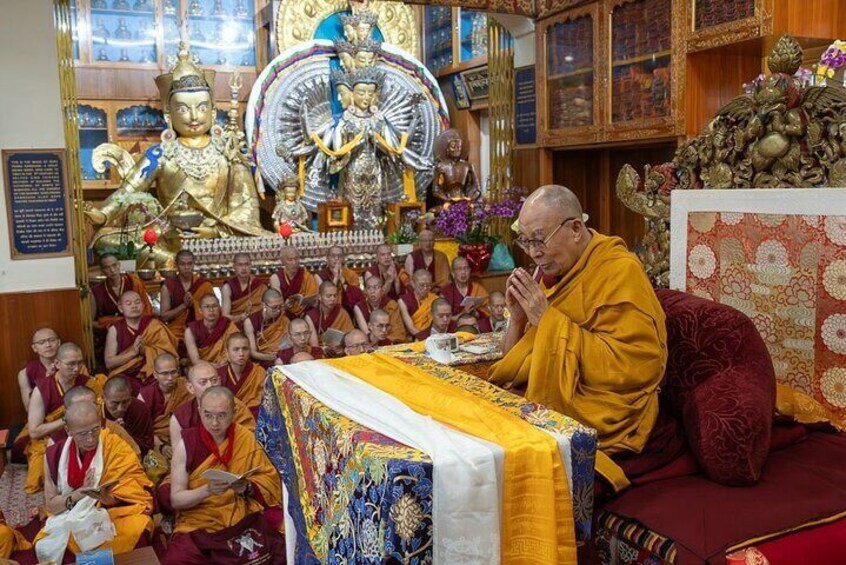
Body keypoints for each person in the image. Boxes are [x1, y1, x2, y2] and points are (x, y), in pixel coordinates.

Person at [489, 185, 667, 488]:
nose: (533, 252)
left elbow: (637, 366)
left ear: (574, 228)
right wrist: (518, 320)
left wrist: (548, 321)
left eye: (539, 239)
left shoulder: (618, 270)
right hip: (552, 393)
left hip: (604, 406)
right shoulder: (556, 273)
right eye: (525, 240)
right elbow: (513, 362)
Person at [163, 387, 285, 564]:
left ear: (234, 412)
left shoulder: (245, 438)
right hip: (201, 519)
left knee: (278, 547)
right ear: (199, 411)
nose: (214, 423)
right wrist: (207, 490)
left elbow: (269, 479)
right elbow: (176, 500)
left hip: (241, 513)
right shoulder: (186, 445)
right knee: (177, 559)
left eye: (221, 415)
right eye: (208, 415)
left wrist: (247, 487)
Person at [33, 401, 154, 564]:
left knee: (139, 524)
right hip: (69, 515)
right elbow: (53, 506)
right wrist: (81, 493)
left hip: (108, 512)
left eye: (95, 430)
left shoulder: (114, 445)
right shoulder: (55, 455)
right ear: (68, 430)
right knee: (52, 545)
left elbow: (135, 491)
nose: (90, 439)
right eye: (82, 434)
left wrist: (107, 499)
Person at [24, 343, 104, 494]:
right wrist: (69, 419)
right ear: (57, 364)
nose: (76, 368)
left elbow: (100, 415)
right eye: (71, 364)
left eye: (80, 363)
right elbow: (34, 431)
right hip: (54, 436)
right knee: (42, 471)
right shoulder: (42, 389)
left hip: (88, 432)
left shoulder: (89, 384)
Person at [104, 290, 178, 394]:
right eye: (129, 303)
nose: (134, 306)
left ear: (143, 306)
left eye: (137, 302)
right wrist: (133, 353)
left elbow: (169, 353)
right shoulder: (115, 329)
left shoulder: (154, 325)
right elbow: (109, 363)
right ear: (121, 308)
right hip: (126, 375)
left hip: (152, 374)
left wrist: (146, 350)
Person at [170, 362, 255, 448]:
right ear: (190, 388)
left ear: (220, 381)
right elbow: (179, 451)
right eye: (203, 382)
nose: (210, 386)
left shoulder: (235, 406)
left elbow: (249, 440)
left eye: (214, 380)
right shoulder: (180, 416)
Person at [49, 385, 142, 460]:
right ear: (66, 411)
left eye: (92, 405)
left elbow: (135, 456)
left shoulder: (113, 429)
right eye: (80, 406)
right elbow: (51, 469)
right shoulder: (57, 438)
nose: (87, 410)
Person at [138, 353, 192, 459]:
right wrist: (161, 446)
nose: (170, 378)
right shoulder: (145, 395)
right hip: (156, 442)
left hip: (184, 438)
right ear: (155, 375)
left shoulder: (187, 387)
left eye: (173, 372)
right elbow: (143, 430)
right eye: (165, 374)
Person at [159, 250, 214, 340]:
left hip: (201, 328)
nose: (186, 267)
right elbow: (164, 317)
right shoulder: (168, 286)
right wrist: (184, 305)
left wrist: (194, 304)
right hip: (176, 331)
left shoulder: (204, 285)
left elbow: (214, 310)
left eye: (189, 264)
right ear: (176, 265)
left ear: (194, 264)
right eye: (182, 264)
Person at [90, 253, 153, 328]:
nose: (112, 270)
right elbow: (90, 322)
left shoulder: (133, 282)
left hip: (136, 327)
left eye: (114, 265)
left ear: (119, 265)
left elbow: (146, 311)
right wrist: (111, 324)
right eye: (107, 268)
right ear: (102, 270)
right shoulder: (96, 291)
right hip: (109, 330)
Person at [103, 376, 154, 458]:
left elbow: (147, 446)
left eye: (125, 402)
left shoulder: (140, 409)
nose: (120, 408)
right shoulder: (95, 412)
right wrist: (112, 431)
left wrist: (124, 434)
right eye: (115, 403)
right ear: (104, 398)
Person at [218, 333, 266, 418]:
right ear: (227, 353)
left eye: (245, 349)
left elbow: (264, 401)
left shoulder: (259, 372)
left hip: (255, 417)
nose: (241, 354)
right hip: (229, 417)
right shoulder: (219, 374)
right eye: (236, 349)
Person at [185, 294, 238, 366]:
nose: (211, 310)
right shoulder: (191, 331)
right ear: (200, 310)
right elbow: (195, 361)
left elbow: (237, 347)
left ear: (220, 308)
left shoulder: (227, 324)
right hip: (202, 367)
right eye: (207, 307)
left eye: (215, 306)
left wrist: (226, 360)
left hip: (226, 364)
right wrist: (216, 366)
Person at [17, 328, 60, 413]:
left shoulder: (72, 366)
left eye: (51, 340)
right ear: (34, 348)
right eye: (41, 342)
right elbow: (29, 408)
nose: (48, 345)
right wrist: (46, 381)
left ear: (59, 342)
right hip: (41, 418)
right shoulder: (24, 373)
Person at [354, 275, 407, 343]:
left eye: (375, 287)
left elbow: (397, 331)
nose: (372, 291)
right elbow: (367, 333)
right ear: (365, 291)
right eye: (369, 288)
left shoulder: (391, 304)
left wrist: (385, 341)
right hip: (371, 342)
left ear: (382, 290)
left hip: (390, 341)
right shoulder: (359, 307)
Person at [243, 288, 289, 365]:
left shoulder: (283, 319)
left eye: (280, 307)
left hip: (282, 354)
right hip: (263, 358)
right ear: (263, 305)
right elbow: (253, 353)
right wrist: (269, 357)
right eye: (274, 308)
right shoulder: (250, 322)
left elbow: (289, 342)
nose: (278, 311)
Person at [269, 246, 318, 318]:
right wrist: (285, 306)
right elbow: (278, 307)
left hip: (306, 314)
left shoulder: (307, 276)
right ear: (283, 261)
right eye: (290, 259)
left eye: (296, 259)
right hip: (285, 316)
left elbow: (315, 301)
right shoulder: (276, 278)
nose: (294, 262)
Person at [315, 245, 364, 315]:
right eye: (333, 256)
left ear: (343, 258)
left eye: (339, 256)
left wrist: (342, 278)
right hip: (328, 312)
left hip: (349, 312)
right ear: (327, 258)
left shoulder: (351, 274)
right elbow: (322, 299)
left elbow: (356, 297)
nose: (336, 258)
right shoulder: (319, 275)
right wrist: (335, 278)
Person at [221, 253, 267, 327]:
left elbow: (267, 309)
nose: (244, 268)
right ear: (234, 267)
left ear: (251, 266)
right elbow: (225, 317)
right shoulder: (228, 287)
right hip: (236, 327)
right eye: (240, 265)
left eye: (247, 264)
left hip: (258, 324)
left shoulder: (260, 285)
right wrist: (239, 317)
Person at [305, 281, 355, 347]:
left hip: (340, 349)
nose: (332, 299)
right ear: (319, 297)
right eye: (329, 296)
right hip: (320, 350)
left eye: (335, 296)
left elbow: (351, 337)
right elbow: (315, 346)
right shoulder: (310, 316)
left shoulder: (341, 312)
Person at [440, 256, 489, 321]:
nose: (463, 272)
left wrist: (476, 313)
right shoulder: (446, 292)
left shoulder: (478, 288)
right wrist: (463, 313)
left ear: (469, 271)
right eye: (459, 269)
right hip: (455, 326)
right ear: (453, 273)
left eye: (466, 268)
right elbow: (443, 319)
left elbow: (488, 311)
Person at [398, 269, 438, 339]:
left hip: (434, 335)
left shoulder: (435, 299)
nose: (425, 288)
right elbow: (411, 328)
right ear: (413, 284)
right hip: (415, 336)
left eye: (428, 285)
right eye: (422, 285)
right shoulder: (403, 301)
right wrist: (426, 339)